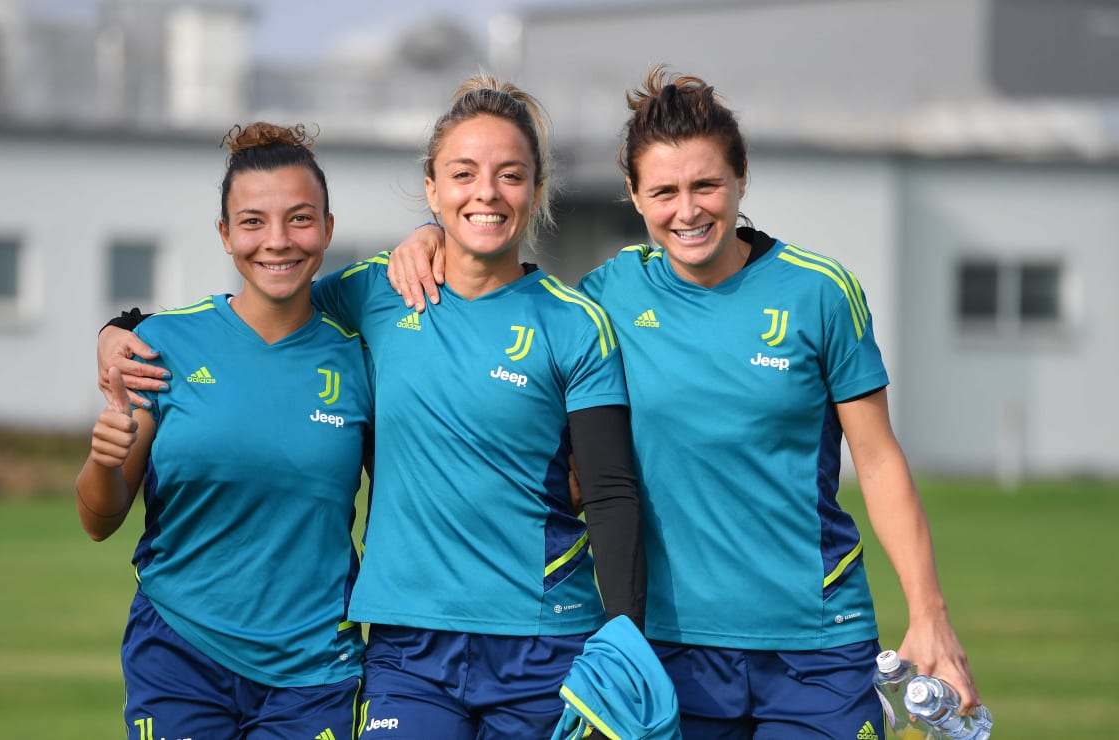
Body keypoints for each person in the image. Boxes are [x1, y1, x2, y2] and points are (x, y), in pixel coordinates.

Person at [388, 67, 983, 738]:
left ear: (742, 177)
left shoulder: (820, 292)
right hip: (669, 650)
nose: (688, 211)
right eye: (664, 192)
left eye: (706, 185)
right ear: (634, 194)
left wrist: (929, 613)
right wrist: (430, 238)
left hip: (818, 643)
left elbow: (876, 461)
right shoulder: (604, 298)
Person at [96, 75, 646, 739]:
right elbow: (267, 301)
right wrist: (122, 328)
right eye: (463, 174)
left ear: (536, 188)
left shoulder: (575, 322)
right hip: (406, 646)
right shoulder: (376, 291)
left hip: (541, 638)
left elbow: (609, 491)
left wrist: (625, 638)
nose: (487, 192)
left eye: (510, 175)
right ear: (431, 188)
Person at [76, 122, 372, 740]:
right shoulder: (162, 343)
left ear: (327, 228)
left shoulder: (362, 357)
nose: (277, 241)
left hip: (314, 670)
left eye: (299, 219)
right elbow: (100, 521)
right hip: (178, 652)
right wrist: (103, 461)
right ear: (225, 234)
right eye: (253, 222)